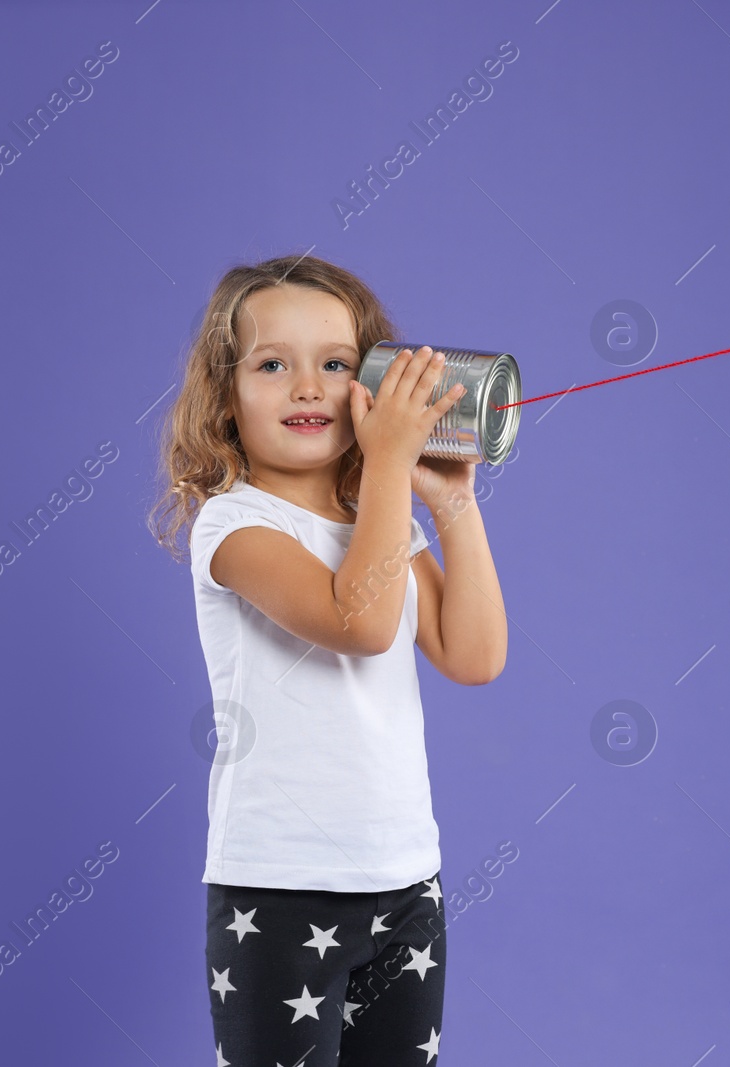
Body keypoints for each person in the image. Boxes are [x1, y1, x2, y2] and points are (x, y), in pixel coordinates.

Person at [148, 253, 508, 1066]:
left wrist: (451, 500)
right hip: (278, 886)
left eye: (336, 364)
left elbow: (475, 653)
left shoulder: (372, 523)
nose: (308, 386)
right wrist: (386, 466)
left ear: (368, 388)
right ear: (225, 397)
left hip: (406, 879)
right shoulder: (235, 529)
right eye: (273, 365)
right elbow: (362, 621)